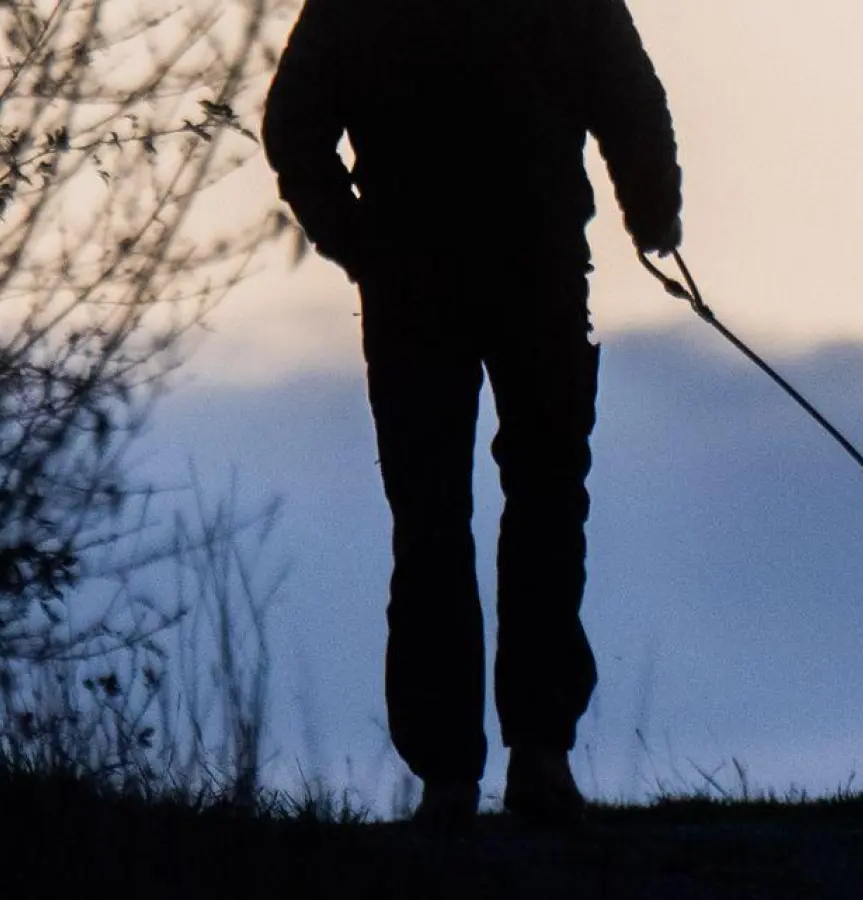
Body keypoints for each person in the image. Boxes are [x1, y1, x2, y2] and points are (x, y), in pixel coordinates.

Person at [262, 0, 681, 831]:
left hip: (428, 280)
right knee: (539, 503)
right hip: (528, 271)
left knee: (439, 520)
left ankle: (463, 773)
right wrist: (652, 213)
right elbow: (629, 98)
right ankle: (533, 758)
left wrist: (355, 238)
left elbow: (294, 123)